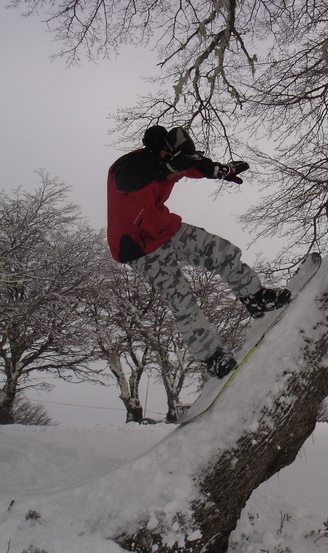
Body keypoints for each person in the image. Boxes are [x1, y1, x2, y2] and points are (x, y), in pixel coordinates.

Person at [107, 125, 291, 378]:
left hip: (164, 228)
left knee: (221, 251)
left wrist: (221, 170)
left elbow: (196, 166)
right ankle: (212, 357)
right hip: (137, 245)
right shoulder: (128, 167)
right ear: (162, 153)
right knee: (181, 298)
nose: (179, 173)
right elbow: (133, 178)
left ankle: (256, 298)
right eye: (175, 167)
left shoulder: (171, 162)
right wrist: (168, 169)